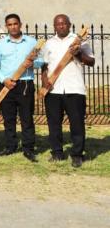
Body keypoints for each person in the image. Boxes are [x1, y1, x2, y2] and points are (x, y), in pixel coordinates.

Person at [40, 14, 95, 167]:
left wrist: (78, 53)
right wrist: (45, 82)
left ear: (70, 25)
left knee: (77, 123)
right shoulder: (49, 43)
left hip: (74, 88)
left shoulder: (79, 41)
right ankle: (57, 153)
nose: (61, 26)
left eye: (64, 23)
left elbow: (91, 61)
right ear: (54, 26)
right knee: (54, 124)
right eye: (58, 24)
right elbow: (44, 66)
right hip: (53, 90)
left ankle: (77, 154)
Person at [0, 13, 38, 162]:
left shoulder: (32, 42)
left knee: (26, 118)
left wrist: (34, 64)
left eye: (15, 24)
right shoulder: (0, 44)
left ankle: (28, 149)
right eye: (10, 24)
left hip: (25, 84)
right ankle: (10, 146)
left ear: (20, 24)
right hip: (7, 85)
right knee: (8, 118)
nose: (13, 27)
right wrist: (4, 79)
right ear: (6, 26)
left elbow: (42, 60)